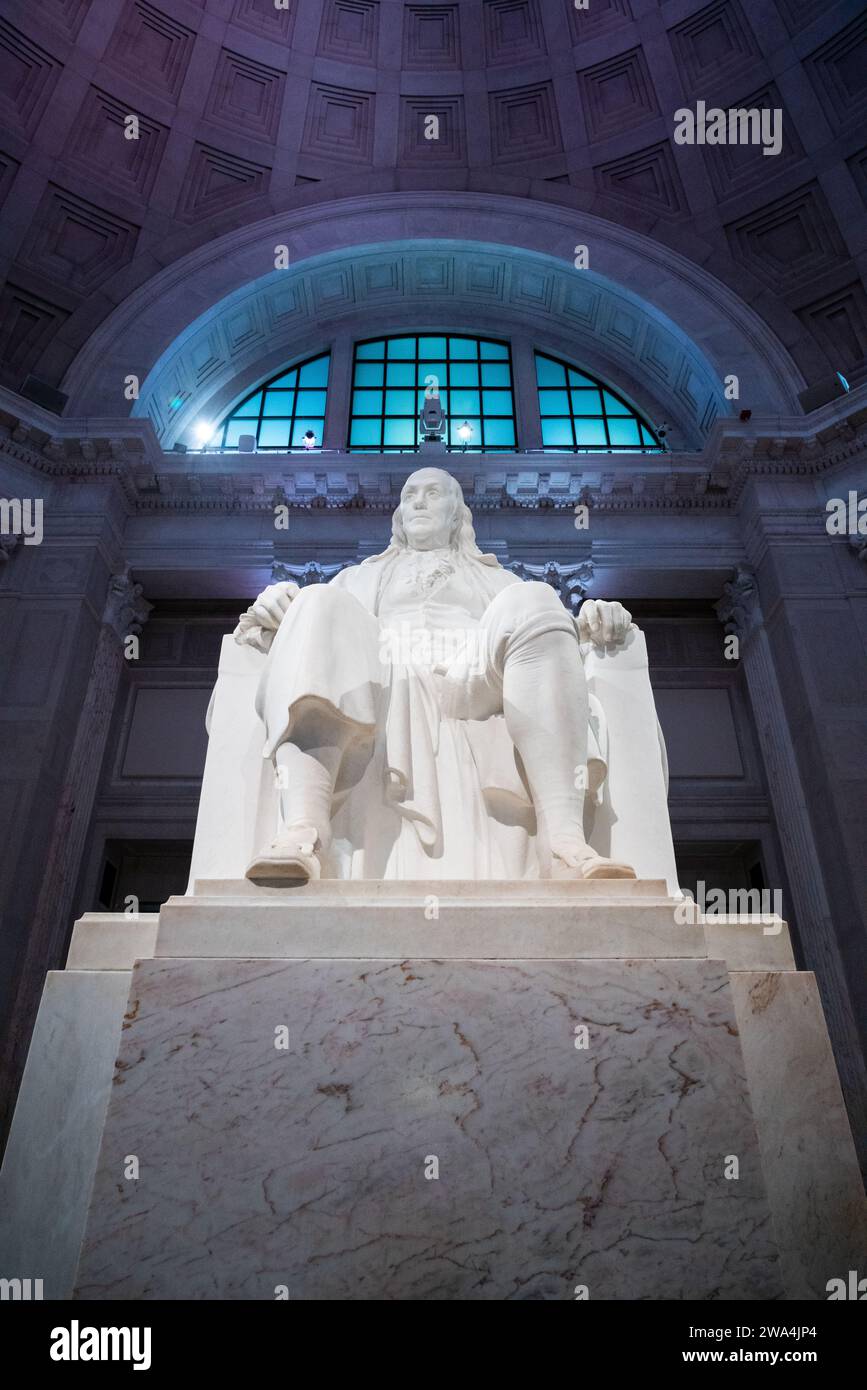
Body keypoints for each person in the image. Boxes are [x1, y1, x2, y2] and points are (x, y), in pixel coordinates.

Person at [234, 467, 636, 882]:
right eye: (409, 495)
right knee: (315, 599)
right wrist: (273, 607)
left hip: (473, 674)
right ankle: (305, 828)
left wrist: (591, 621)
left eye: (433, 494)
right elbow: (316, 633)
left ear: (457, 515)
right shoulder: (358, 577)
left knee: (536, 596)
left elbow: (546, 642)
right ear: (399, 516)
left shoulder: (498, 580)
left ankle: (563, 842)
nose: (419, 502)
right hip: (386, 669)